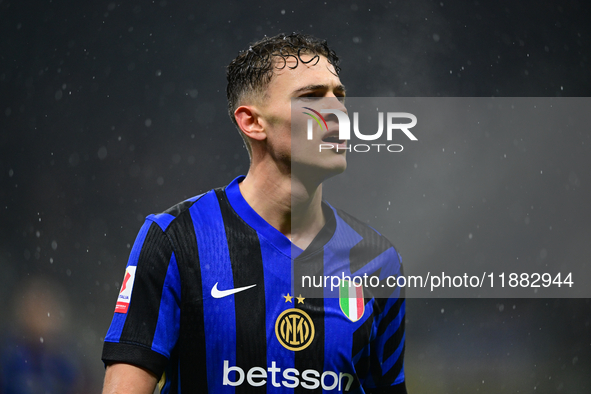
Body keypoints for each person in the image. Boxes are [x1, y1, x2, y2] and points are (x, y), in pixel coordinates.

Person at [101, 33, 407, 394]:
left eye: (339, 97)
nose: (337, 113)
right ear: (252, 122)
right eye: (311, 98)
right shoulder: (177, 238)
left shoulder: (377, 260)